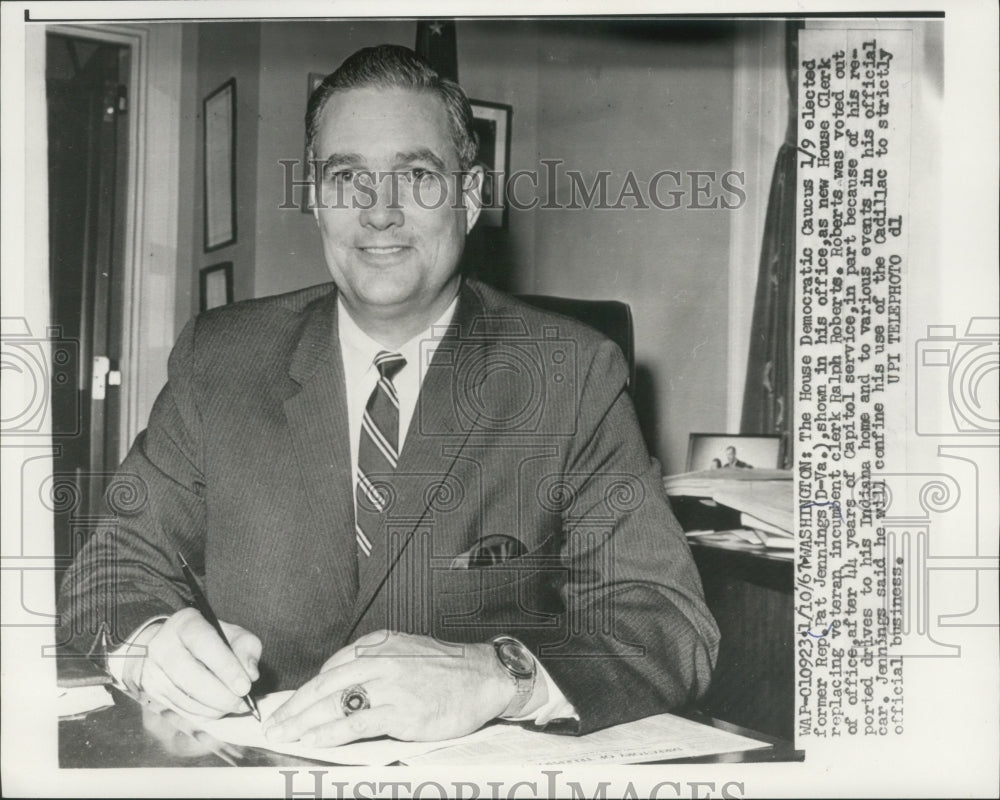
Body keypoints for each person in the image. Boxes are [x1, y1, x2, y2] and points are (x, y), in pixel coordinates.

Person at [58, 44, 718, 746]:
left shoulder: (570, 372)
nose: (379, 213)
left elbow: (666, 620)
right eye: (347, 177)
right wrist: (150, 643)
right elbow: (106, 570)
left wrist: (498, 674)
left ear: (469, 198)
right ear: (315, 199)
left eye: (417, 175)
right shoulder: (220, 359)